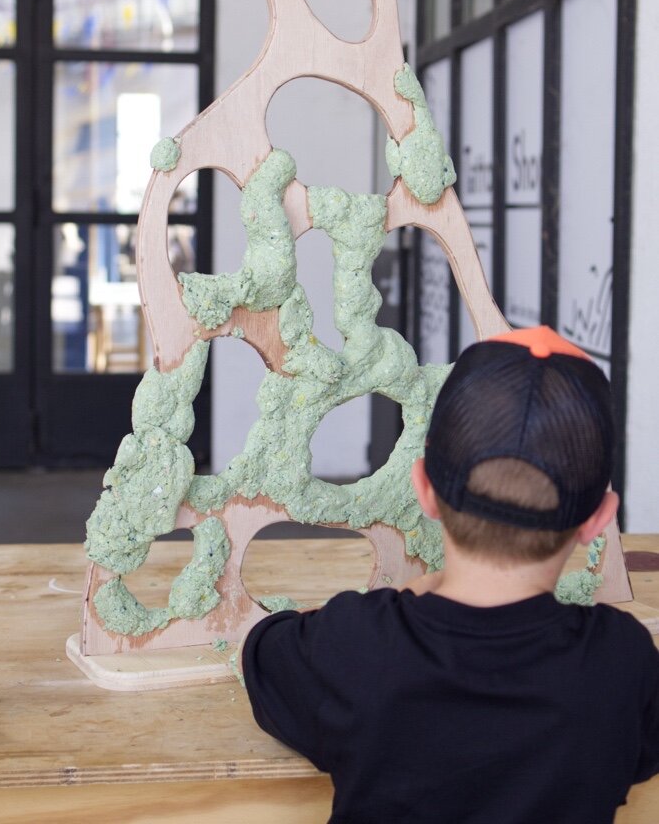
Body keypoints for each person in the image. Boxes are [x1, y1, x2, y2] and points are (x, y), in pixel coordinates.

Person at [241, 325, 659, 823]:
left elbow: (263, 654)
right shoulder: (622, 661)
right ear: (599, 519)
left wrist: (403, 598)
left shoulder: (358, 644)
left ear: (424, 489)